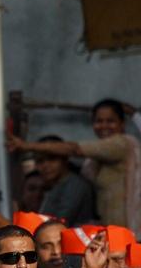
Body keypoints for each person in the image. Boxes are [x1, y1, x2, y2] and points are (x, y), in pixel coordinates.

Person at [10, 99, 141, 233]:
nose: (104, 126)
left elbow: (75, 149)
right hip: (112, 232)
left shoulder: (124, 144)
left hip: (131, 231)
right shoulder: (91, 161)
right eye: (99, 121)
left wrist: (25, 146)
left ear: (122, 124)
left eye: (110, 121)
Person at [31, 136, 96, 227]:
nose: (45, 166)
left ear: (65, 159)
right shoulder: (52, 185)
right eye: (40, 161)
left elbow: (58, 222)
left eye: (52, 159)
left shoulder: (75, 186)